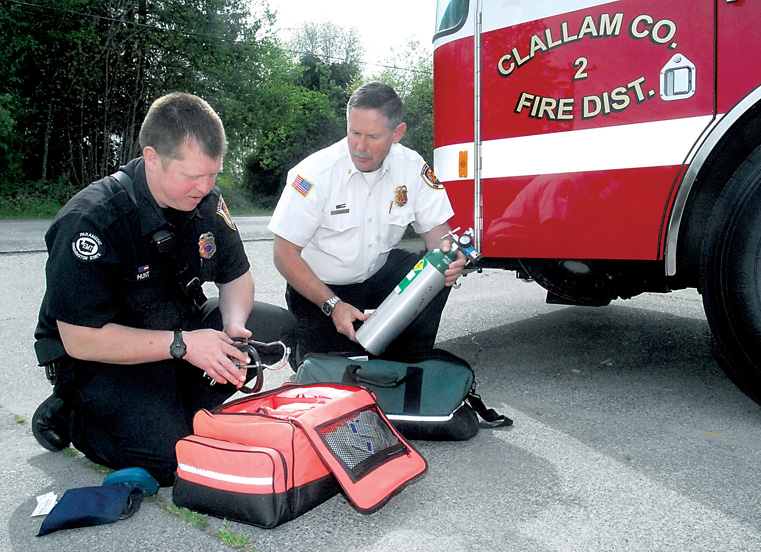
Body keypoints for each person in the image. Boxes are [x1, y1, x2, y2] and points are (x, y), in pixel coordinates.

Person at [32, 92, 297, 486]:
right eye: (192, 176)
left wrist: (234, 327)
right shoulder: (92, 221)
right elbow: (80, 339)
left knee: (274, 328)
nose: (205, 186)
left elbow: (236, 275)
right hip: (103, 355)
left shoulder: (206, 201)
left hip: (175, 331)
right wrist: (184, 346)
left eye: (213, 174)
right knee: (170, 461)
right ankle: (73, 412)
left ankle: (167, 410)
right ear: (152, 158)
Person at [268, 81, 466, 364]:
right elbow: (284, 254)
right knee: (331, 376)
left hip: (376, 275)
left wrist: (450, 254)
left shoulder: (411, 167)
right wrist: (333, 305)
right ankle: (311, 350)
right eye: (354, 132)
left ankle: (408, 363)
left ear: (397, 133)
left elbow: (439, 235)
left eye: (372, 136)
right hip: (321, 290)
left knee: (435, 268)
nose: (360, 147)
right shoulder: (315, 174)